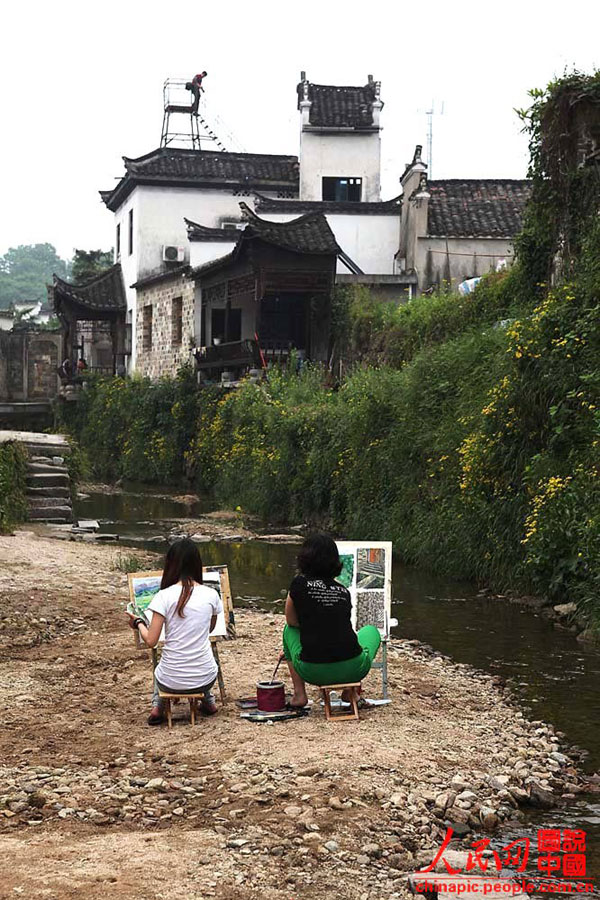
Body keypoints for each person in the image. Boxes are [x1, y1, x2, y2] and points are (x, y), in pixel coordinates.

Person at [127, 538, 223, 725]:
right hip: (206, 679)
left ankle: (158, 706)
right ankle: (208, 701)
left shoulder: (163, 596)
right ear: (197, 563)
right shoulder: (212, 594)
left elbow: (151, 641)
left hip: (170, 680)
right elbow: (210, 629)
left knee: (160, 670)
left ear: (171, 564)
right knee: (202, 660)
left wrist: (138, 622)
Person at [282, 533, 381, 708]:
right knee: (370, 631)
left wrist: (310, 628)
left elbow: (291, 621)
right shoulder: (343, 590)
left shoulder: (298, 584)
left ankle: (299, 695)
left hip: (312, 671)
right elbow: (339, 624)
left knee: (288, 631)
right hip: (352, 669)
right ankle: (350, 693)